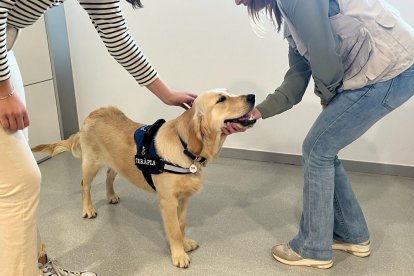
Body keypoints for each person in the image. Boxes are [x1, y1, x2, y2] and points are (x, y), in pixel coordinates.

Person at [0, 0, 197, 275]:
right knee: (21, 183)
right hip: (2, 71)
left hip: (6, 52)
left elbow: (117, 36)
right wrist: (4, 91)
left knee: (11, 182)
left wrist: (166, 94)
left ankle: (37, 265)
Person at [232, 0, 414, 269]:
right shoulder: (288, 13)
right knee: (322, 149)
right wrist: (257, 112)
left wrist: (327, 94)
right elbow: (297, 77)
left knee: (316, 150)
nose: (236, 1)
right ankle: (351, 235)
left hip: (393, 72)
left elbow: (324, 52)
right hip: (386, 72)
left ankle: (313, 248)